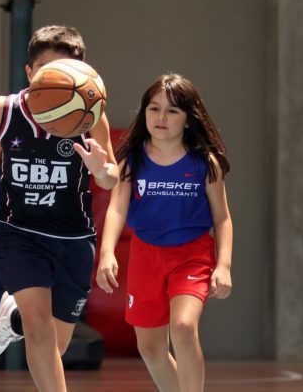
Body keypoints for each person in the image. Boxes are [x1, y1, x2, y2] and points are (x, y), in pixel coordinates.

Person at [0, 25, 118, 392]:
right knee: (40, 333)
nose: (58, 83)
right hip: (21, 234)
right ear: (30, 75)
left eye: (66, 73)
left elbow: (110, 179)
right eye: (48, 72)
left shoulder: (91, 119)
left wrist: (100, 169)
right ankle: (23, 318)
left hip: (74, 238)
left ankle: (12, 321)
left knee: (52, 348)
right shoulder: (5, 110)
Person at [96, 73, 233, 392]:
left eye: (172, 110)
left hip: (192, 256)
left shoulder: (205, 163)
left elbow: (223, 219)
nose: (161, 117)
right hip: (146, 257)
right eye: (154, 108)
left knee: (184, 327)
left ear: (188, 119)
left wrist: (223, 265)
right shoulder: (132, 159)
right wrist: (106, 254)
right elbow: (117, 208)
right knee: (151, 348)